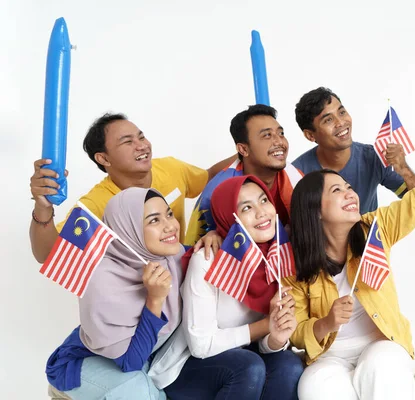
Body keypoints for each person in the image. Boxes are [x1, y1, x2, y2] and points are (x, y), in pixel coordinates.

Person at [285, 84, 415, 400]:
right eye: (336, 191)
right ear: (314, 211)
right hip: (330, 356)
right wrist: (325, 323)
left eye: (348, 187)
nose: (351, 192)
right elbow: (299, 332)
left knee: (379, 364)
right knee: (314, 384)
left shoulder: (375, 229)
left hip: (383, 344)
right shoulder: (295, 254)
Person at [149, 175, 304, 399]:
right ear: (228, 216)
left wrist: (277, 337)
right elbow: (200, 346)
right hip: (190, 365)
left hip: (246, 357)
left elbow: (265, 346)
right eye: (247, 208)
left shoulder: (278, 254)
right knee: (248, 366)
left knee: (288, 364)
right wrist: (264, 325)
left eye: (263, 201)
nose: (261, 212)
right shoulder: (208, 260)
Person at [30, 112, 235, 263]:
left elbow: (209, 178)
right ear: (104, 158)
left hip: (179, 273)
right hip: (136, 295)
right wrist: (43, 206)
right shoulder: (96, 204)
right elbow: (48, 254)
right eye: (127, 142)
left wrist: (248, 152)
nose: (142, 145)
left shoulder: (171, 168)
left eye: (141, 136)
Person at [46, 188, 185, 399]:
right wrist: (155, 299)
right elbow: (131, 362)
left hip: (142, 362)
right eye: (154, 221)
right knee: (142, 392)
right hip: (81, 366)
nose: (170, 226)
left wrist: (212, 236)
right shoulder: (101, 280)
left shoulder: (172, 258)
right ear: (128, 230)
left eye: (169, 214)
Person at [184, 105, 302, 249]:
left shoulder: (295, 178)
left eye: (281, 133)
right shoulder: (216, 192)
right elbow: (194, 248)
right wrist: (213, 233)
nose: (279, 142)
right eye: (267, 135)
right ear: (243, 149)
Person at [292, 87, 415, 214]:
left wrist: (404, 169)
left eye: (342, 112)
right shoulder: (296, 174)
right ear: (310, 135)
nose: (341, 123)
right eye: (328, 120)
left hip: (369, 234)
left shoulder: (374, 157)